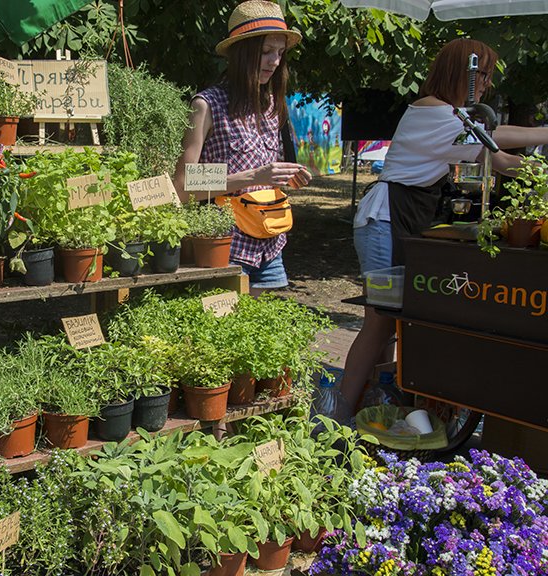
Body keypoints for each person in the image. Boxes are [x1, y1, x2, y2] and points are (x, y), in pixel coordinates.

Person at [339, 38, 548, 417]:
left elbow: (500, 160)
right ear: (461, 73)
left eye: (486, 77)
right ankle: (336, 415)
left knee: (390, 324)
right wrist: (545, 133)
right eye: (480, 75)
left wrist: (543, 171)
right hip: (385, 219)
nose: (485, 84)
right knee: (379, 321)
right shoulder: (431, 113)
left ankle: (370, 408)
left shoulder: (454, 121)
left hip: (404, 218)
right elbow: (495, 138)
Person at [173, 0, 312, 296]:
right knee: (221, 333)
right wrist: (255, 176)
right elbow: (183, 187)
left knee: (256, 335)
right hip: (225, 244)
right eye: (265, 52)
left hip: (271, 240)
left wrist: (287, 175)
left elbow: (266, 173)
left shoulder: (273, 104)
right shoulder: (208, 105)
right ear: (241, 54)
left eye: (279, 53)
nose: (274, 61)